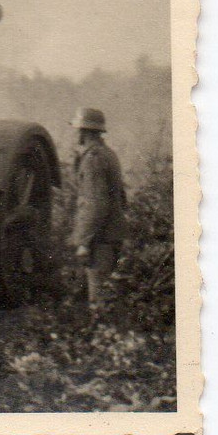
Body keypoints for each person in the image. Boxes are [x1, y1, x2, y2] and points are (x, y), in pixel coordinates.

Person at [69, 107, 127, 311]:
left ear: (84, 132)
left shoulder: (92, 159)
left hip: (99, 241)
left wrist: (84, 242)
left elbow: (95, 203)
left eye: (77, 130)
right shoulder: (108, 154)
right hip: (109, 236)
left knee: (99, 302)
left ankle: (104, 339)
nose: (76, 134)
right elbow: (120, 197)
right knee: (103, 295)